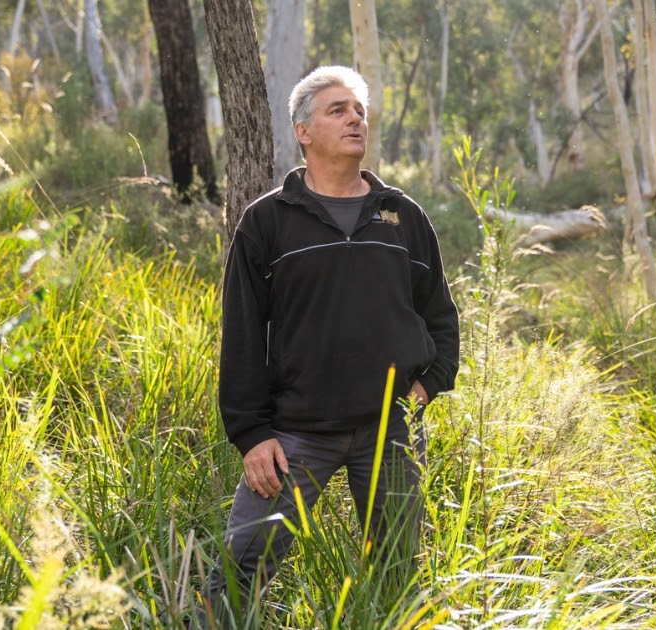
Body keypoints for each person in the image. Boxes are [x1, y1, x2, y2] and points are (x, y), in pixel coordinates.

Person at [204, 65, 460, 621]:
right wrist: (251, 435)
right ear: (303, 131)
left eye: (360, 110)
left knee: (396, 573)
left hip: (390, 431)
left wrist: (425, 390)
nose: (355, 119)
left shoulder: (403, 216)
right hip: (296, 434)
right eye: (337, 110)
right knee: (240, 568)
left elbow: (440, 316)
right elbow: (243, 336)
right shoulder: (267, 222)